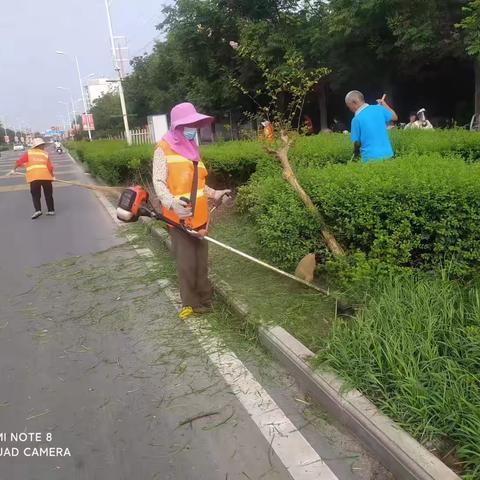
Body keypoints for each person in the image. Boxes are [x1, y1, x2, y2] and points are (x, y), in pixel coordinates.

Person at [153, 103, 230, 320]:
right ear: (177, 125)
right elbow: (158, 182)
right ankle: (191, 303)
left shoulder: (192, 149)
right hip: (179, 219)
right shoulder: (163, 149)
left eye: (194, 125)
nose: (192, 129)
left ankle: (205, 299)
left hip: (201, 217)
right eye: (188, 124)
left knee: (201, 261)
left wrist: (216, 193)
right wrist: (171, 202)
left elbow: (199, 183)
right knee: (187, 263)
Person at [345, 90, 398, 163]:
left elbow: (357, 143)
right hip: (388, 155)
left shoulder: (356, 119)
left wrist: (355, 155)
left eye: (349, 106)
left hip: (370, 159)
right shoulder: (379, 109)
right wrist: (384, 104)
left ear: (354, 103)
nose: (349, 109)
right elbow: (395, 117)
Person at [10, 137, 55, 219]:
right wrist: (52, 176)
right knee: (48, 194)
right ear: (40, 146)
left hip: (34, 178)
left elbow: (19, 162)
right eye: (43, 145)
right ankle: (51, 210)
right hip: (46, 177)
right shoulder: (45, 154)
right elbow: (50, 167)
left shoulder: (29, 153)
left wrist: (13, 169)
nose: (44, 146)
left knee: (35, 195)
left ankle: (38, 210)